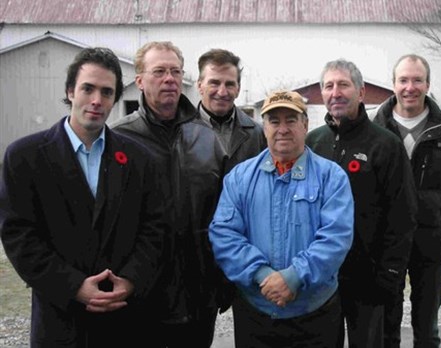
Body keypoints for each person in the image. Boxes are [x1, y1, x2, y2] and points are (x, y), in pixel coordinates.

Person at [0, 47, 167, 347]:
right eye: (87, 88)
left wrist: (131, 280)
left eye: (106, 92)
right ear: (69, 91)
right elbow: (19, 236)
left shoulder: (140, 160)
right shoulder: (24, 158)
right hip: (60, 321)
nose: (96, 101)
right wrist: (73, 286)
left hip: (125, 320)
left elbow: (155, 228)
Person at [209, 90, 354, 347]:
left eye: (291, 120)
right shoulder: (240, 177)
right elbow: (224, 235)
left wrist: (294, 277)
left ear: (306, 125)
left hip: (315, 314)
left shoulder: (332, 177)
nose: (283, 129)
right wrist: (262, 274)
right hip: (256, 314)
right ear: (264, 127)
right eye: (274, 121)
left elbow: (336, 238)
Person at [109, 41, 226, 348]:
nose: (169, 79)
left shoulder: (206, 136)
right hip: (141, 292)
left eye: (175, 71)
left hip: (198, 291)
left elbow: (224, 213)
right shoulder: (119, 138)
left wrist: (221, 281)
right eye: (159, 71)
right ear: (139, 80)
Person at [306, 59, 417, 348]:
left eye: (344, 84)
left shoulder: (385, 145)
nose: (336, 92)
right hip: (323, 277)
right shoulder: (312, 143)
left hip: (372, 280)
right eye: (328, 86)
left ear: (361, 92)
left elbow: (402, 215)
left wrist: (391, 273)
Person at [372, 54, 441, 348]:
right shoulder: (374, 124)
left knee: (427, 327)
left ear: (428, 84)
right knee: (386, 325)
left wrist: (437, 213)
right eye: (403, 80)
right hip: (386, 242)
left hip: (431, 239)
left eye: (417, 80)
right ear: (393, 84)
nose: (410, 87)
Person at [196, 48, 267, 174]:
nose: (222, 92)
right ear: (200, 86)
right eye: (214, 83)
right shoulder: (180, 132)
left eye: (229, 84)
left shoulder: (257, 135)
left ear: (238, 89)